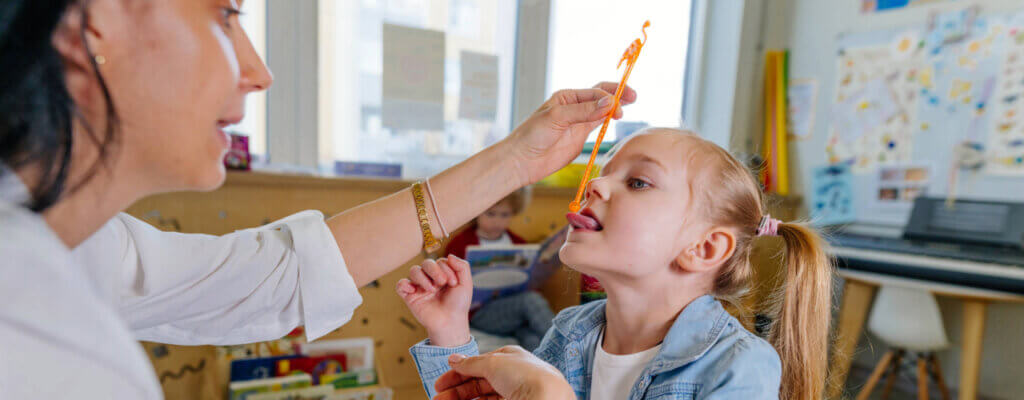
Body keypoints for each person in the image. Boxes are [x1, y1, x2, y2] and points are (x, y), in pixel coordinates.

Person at [0, 0, 637, 397]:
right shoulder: (32, 324)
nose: (259, 72)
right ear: (92, 26)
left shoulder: (72, 249)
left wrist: (517, 160)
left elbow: (268, 275)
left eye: (640, 181)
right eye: (226, 16)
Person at [397, 129, 835, 400]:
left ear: (703, 249)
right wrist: (451, 333)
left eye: (638, 182)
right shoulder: (568, 332)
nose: (596, 184)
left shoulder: (739, 367)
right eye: (604, 172)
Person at [445, 187, 555, 351]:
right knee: (531, 300)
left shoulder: (518, 243)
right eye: (490, 214)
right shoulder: (460, 245)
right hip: (478, 313)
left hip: (513, 313)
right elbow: (448, 287)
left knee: (532, 339)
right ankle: (567, 346)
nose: (497, 221)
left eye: (505, 215)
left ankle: (556, 364)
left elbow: (530, 282)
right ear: (476, 213)